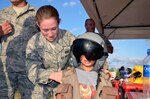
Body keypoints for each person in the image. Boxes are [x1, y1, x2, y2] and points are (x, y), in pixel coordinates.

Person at [25, 5, 76, 99]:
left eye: (54, 28)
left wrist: (66, 74)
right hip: (42, 84)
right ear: (38, 25)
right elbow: (32, 71)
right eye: (45, 30)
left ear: (59, 22)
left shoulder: (70, 38)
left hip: (65, 83)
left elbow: (78, 63)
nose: (50, 34)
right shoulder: (34, 42)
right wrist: (52, 75)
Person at [56, 32, 117, 99]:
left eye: (92, 54)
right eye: (83, 53)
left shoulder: (105, 79)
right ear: (77, 54)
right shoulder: (67, 76)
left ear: (99, 56)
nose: (87, 58)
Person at [0, 0, 39, 99]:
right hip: (6, 70)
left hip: (29, 69)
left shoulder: (37, 13)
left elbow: (46, 39)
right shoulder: (1, 13)